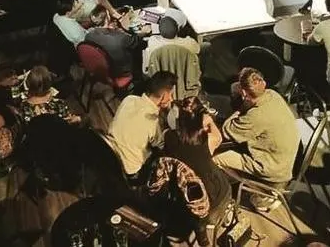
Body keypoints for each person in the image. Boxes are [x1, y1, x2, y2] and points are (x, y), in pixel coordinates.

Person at [213, 68, 299, 211]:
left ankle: (260, 194)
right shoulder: (273, 94)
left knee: (216, 159)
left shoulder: (255, 116)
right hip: (284, 164)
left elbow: (227, 130)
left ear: (244, 93)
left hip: (272, 175)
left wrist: (238, 111)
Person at [163, 96, 230, 247]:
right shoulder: (207, 139)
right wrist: (208, 120)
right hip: (223, 193)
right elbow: (218, 137)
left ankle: (202, 238)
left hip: (202, 207)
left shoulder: (169, 137)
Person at [106, 71, 176, 176]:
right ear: (164, 95)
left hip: (109, 155)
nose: (171, 99)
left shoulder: (129, 100)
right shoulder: (153, 122)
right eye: (171, 95)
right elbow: (161, 145)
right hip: (129, 171)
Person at [85, 5, 145, 79]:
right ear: (107, 18)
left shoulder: (88, 36)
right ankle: (139, 78)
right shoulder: (120, 38)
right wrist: (143, 33)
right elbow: (135, 41)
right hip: (121, 72)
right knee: (140, 46)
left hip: (102, 69)